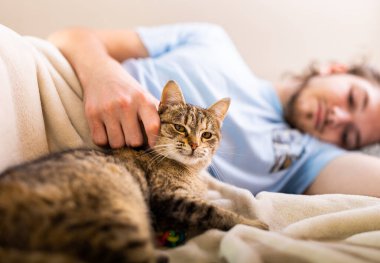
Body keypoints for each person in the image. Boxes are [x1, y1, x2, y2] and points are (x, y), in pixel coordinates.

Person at [2, 23, 380, 197]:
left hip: (97, 182)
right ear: (336, 70)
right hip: (43, 84)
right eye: (353, 99)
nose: (339, 119)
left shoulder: (308, 157)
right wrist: (105, 76)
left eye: (350, 135)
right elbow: (70, 36)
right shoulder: (212, 39)